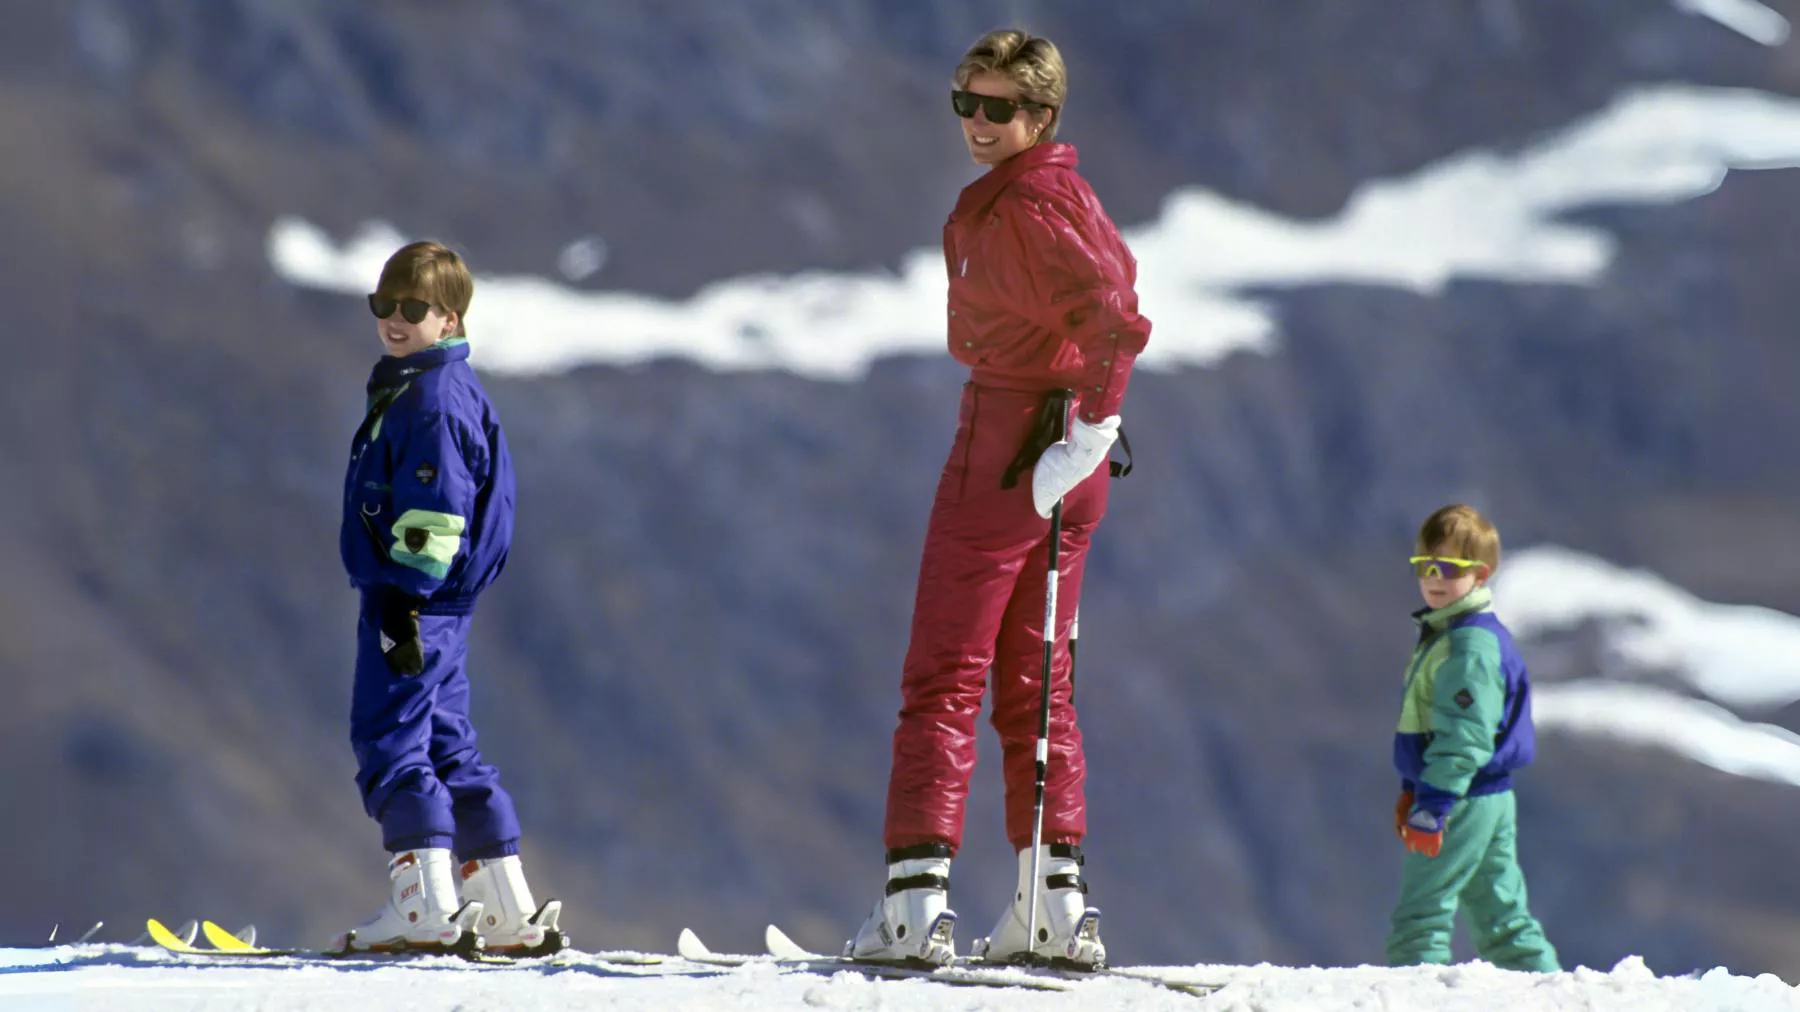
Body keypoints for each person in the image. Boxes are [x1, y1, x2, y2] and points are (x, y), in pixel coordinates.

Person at [849, 28, 1150, 968]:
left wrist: (1089, 429)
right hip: (1061, 457)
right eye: (965, 103)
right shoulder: (1063, 192)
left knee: (944, 672)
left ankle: (913, 906)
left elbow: (1117, 318)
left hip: (1011, 447)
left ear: (1042, 115)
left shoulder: (1026, 203)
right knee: (1040, 680)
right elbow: (1114, 297)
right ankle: (1052, 905)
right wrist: (1087, 437)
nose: (977, 123)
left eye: (999, 108)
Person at [336, 241, 559, 954]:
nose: (394, 319)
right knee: (445, 741)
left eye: (413, 307)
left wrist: (403, 601)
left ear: (450, 318)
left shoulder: (432, 401)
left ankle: (424, 908)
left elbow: (437, 510)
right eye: (383, 304)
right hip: (440, 606)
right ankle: (502, 906)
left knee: (391, 736)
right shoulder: (428, 385)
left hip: (414, 602)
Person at [1388, 504, 1559, 971]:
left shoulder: (1468, 646)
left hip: (1461, 798)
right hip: (1486, 795)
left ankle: (1411, 997)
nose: (1433, 579)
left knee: (1421, 917)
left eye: (1447, 568)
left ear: (1480, 573)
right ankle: (1555, 995)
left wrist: (1432, 804)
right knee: (1502, 919)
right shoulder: (1452, 633)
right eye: (1425, 566)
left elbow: (1464, 738)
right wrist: (1413, 789)